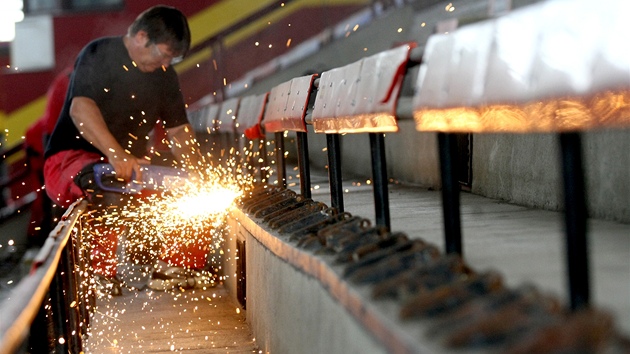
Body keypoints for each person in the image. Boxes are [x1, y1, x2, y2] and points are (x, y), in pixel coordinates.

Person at [44, 5, 206, 296]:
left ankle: (172, 268)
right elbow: (81, 108)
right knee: (106, 182)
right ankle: (101, 276)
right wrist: (116, 154)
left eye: (173, 58)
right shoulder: (99, 53)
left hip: (126, 165)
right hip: (69, 161)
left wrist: (199, 173)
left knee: (182, 186)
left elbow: (179, 131)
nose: (166, 63)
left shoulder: (164, 75)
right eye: (163, 54)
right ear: (141, 37)